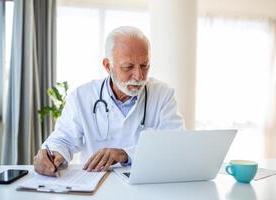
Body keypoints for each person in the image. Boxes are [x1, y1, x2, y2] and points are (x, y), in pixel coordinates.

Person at [33, 26, 185, 176]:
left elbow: (175, 144)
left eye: (144, 65)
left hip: (145, 184)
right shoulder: (82, 97)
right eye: (128, 66)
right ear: (107, 66)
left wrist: (125, 154)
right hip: (95, 185)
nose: (139, 75)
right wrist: (52, 154)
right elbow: (63, 139)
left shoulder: (163, 94)